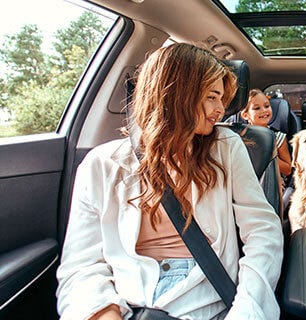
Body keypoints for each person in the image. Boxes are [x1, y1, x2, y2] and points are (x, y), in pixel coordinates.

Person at [56, 43, 283, 320]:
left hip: (207, 300)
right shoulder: (101, 164)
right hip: (129, 300)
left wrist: (247, 309)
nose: (221, 110)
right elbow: (81, 265)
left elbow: (262, 231)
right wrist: (103, 311)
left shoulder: (226, 146)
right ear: (178, 93)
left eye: (222, 99)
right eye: (212, 97)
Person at [240, 89, 292, 179]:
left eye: (267, 106)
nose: (264, 110)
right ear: (245, 115)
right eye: (257, 108)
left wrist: (267, 156)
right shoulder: (241, 137)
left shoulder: (278, 137)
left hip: (271, 182)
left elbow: (288, 170)